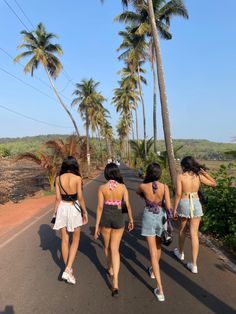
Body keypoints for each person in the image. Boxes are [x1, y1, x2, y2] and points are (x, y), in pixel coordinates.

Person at [94, 163, 134, 297]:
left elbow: (99, 207)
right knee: (115, 249)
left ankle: (110, 268)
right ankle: (115, 282)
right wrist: (131, 219)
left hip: (106, 217)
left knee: (106, 247)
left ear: (106, 173)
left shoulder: (102, 188)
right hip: (118, 218)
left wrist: (96, 227)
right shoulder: (122, 187)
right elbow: (127, 205)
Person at [173, 156, 216, 274]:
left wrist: (174, 209)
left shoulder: (181, 176)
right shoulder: (198, 176)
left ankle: (181, 253)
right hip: (196, 204)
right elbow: (214, 183)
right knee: (194, 234)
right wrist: (204, 173)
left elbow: (178, 194)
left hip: (184, 202)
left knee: (182, 229)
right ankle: (194, 265)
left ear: (184, 166)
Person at [137, 163, 171, 302]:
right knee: (158, 247)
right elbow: (168, 206)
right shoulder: (165, 187)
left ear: (148, 173)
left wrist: (147, 199)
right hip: (161, 216)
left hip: (149, 216)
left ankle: (160, 289)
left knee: (152, 251)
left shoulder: (143, 186)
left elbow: (138, 193)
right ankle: (153, 270)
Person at [52, 156, 88, 284]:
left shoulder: (58, 178)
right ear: (74, 166)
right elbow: (80, 197)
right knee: (76, 239)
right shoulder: (78, 178)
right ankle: (67, 269)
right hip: (73, 209)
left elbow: (57, 198)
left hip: (62, 208)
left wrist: (55, 213)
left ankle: (69, 269)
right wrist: (84, 211)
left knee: (64, 239)